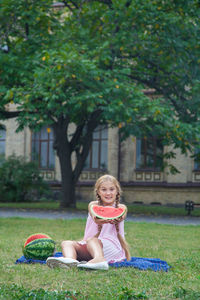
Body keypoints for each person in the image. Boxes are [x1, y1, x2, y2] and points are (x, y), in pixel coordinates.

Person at [46, 174, 131, 270]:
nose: (108, 193)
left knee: (92, 240)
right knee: (66, 243)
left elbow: (122, 216)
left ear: (117, 191)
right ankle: (70, 261)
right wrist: (102, 219)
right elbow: (95, 218)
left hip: (111, 248)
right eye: (104, 190)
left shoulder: (121, 207)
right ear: (98, 192)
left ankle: (99, 260)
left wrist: (117, 218)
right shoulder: (93, 205)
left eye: (111, 189)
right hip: (91, 245)